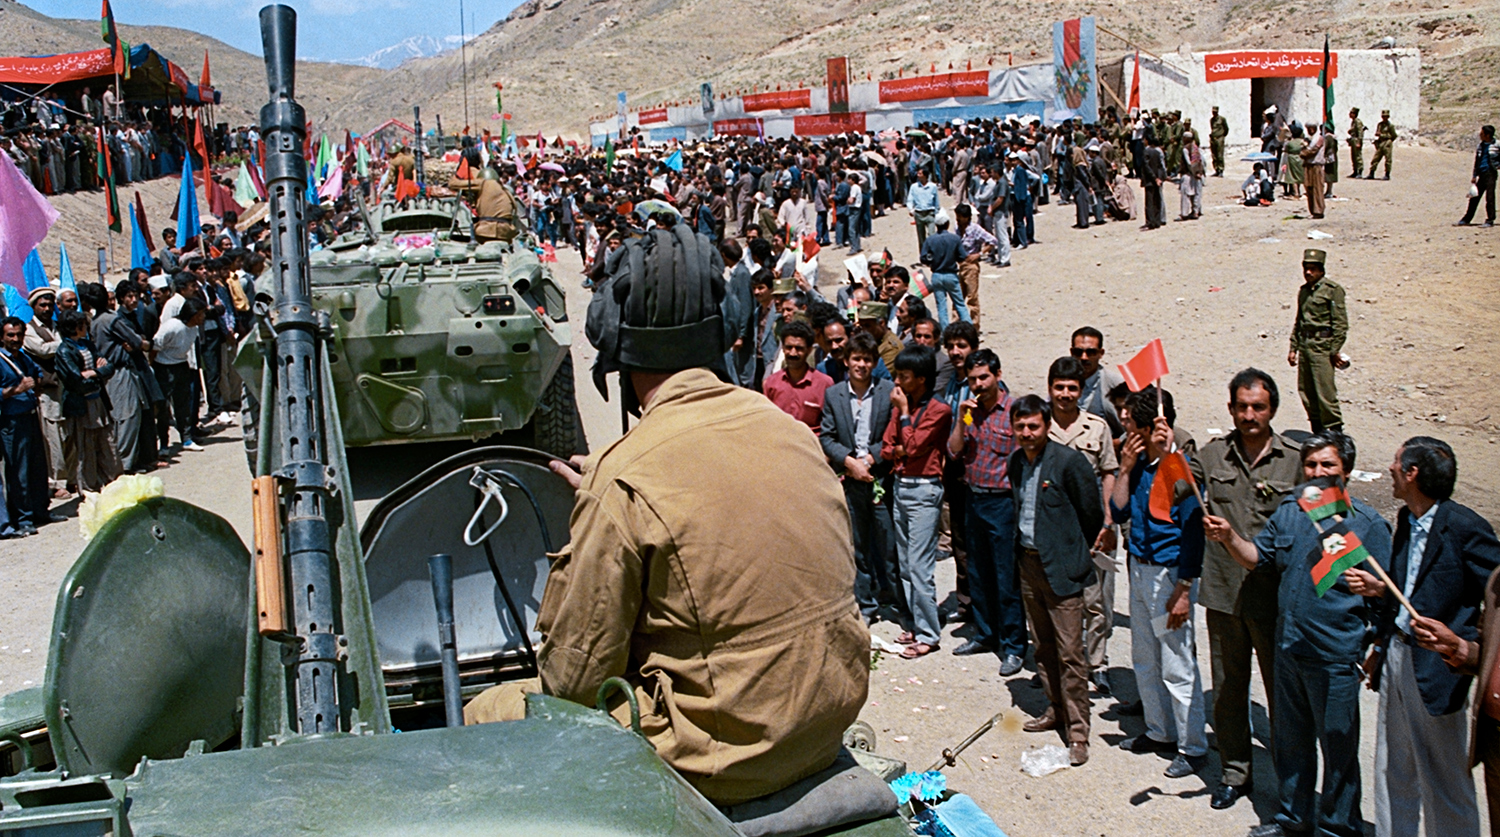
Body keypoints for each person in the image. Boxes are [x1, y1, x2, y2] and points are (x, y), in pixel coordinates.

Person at [466, 224, 870, 809]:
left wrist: (605, 502)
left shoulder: (624, 477)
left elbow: (573, 679)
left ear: (617, 351)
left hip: (726, 759)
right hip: (824, 725)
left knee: (490, 710)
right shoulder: (790, 433)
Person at [1210, 432, 1392, 837]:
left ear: (1346, 471)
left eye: (1328, 466)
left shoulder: (1367, 525)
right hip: (1289, 647)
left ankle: (1338, 828)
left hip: (1334, 656)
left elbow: (1388, 597)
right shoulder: (1291, 512)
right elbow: (1259, 557)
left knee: (1339, 751)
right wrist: (1229, 537)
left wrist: (1375, 627)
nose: (1318, 473)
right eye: (1311, 466)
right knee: (1291, 743)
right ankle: (1293, 820)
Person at [1364, 437, 1500, 837]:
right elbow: (1406, 585)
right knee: (1393, 768)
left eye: (1395, 461)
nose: (1389, 468)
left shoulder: (1465, 527)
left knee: (1444, 780)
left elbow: (1495, 593)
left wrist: (1463, 643)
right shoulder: (1406, 519)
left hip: (1439, 670)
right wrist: (1379, 643)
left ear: (1412, 473)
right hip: (1396, 658)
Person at [1193, 369, 1305, 810]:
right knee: (1227, 691)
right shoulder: (1213, 454)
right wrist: (1164, 448)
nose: (1249, 415)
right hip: (1223, 594)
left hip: (1275, 599)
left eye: (1258, 407)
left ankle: (1293, 788)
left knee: (1285, 700)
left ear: (1272, 409)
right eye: (1241, 406)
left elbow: (1326, 522)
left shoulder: (1296, 460)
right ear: (1230, 409)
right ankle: (1235, 772)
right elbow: (1179, 480)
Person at [1111, 386, 1209, 779]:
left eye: (1130, 422)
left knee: (1177, 662)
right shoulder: (1135, 466)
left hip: (1169, 573)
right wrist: (1123, 467)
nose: (1124, 427)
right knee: (1145, 656)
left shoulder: (1177, 469)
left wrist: (1185, 589)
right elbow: (1118, 512)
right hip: (1139, 565)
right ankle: (1159, 731)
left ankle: (1193, 745)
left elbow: (1194, 529)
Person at [1009, 394, 1103, 767]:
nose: (1027, 433)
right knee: (1043, 647)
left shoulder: (1068, 462)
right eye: (1021, 426)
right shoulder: (1017, 462)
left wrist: (1070, 551)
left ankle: (1078, 732)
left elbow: (1090, 513)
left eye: (1034, 426)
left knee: (1070, 652)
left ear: (1047, 426)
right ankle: (1056, 709)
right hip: (1029, 565)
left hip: (1062, 568)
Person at [949, 348, 1026, 676]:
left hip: (1003, 502)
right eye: (973, 379)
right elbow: (954, 451)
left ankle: (1013, 646)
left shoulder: (1013, 410)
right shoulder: (970, 412)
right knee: (977, 571)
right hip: (973, 498)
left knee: (1005, 577)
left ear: (997, 375)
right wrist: (961, 418)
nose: (978, 385)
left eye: (984, 377)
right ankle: (984, 633)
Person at [1046, 357, 1119, 695]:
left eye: (1071, 388)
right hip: (1052, 528)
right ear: (1050, 389)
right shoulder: (1039, 426)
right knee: (1056, 600)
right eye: (1059, 387)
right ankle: (1063, 663)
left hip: (1089, 526)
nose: (1065, 394)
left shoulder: (1097, 427)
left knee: (1096, 601)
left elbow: (1108, 473)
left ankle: (1098, 664)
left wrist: (1107, 519)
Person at [821, 331, 897, 623]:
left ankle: (895, 599)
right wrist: (850, 462)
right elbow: (827, 437)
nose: (861, 365)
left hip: (879, 477)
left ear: (874, 362)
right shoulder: (834, 394)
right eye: (856, 359)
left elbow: (893, 432)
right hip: (850, 480)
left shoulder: (887, 391)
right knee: (858, 546)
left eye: (867, 360)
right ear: (847, 361)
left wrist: (869, 459)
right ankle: (865, 604)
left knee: (888, 543)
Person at [883, 345, 952, 659]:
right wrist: (901, 443)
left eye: (904, 376)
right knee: (906, 565)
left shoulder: (939, 410)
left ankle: (928, 633)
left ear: (921, 380)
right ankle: (914, 622)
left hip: (924, 489)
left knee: (921, 566)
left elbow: (912, 446)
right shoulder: (901, 408)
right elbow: (888, 447)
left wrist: (906, 419)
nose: (898, 381)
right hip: (902, 485)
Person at [0, 317, 60, 535]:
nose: (15, 339)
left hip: (30, 415)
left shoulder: (22, 357)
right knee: (19, 470)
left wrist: (35, 383)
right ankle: (22, 518)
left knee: (38, 466)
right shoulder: (1, 360)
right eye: (10, 335)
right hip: (11, 422)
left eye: (19, 335)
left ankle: (40, 511)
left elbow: (37, 372)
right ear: (2, 337)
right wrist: (15, 390)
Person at [54, 309, 122, 493]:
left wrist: (94, 373)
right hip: (81, 406)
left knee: (108, 445)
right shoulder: (64, 351)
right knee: (86, 450)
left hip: (98, 402)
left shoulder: (87, 345)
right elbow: (75, 380)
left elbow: (108, 367)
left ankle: (113, 485)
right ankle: (90, 490)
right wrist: (96, 375)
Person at [1288, 248, 1348, 433]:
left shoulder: (1333, 291)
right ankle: (1318, 433)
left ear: (1321, 270)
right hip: (1306, 345)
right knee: (1306, 392)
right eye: (1306, 268)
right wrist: (1293, 347)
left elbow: (1340, 324)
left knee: (1325, 393)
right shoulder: (1304, 291)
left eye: (1313, 269)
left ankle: (1336, 434)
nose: (1308, 272)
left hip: (1322, 347)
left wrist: (1333, 350)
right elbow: (1299, 321)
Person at [23, 287, 71, 498]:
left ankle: (70, 478)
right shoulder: (28, 329)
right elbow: (41, 349)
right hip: (47, 391)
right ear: (33, 306)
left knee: (68, 434)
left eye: (50, 305)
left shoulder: (57, 326)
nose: (47, 309)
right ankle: (56, 482)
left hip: (64, 387)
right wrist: (65, 345)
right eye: (42, 305)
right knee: (52, 437)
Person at [763, 320, 833, 432]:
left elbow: (828, 426)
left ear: (809, 350)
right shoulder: (771, 383)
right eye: (789, 347)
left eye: (799, 348)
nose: (793, 353)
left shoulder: (824, 384)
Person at [918, 211, 970, 328]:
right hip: (951, 274)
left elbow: (923, 258)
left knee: (941, 307)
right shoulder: (954, 239)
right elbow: (962, 256)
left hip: (936, 275)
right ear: (947, 224)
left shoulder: (930, 240)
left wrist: (932, 261)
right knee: (960, 304)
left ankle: (945, 333)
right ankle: (969, 329)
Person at [1071, 327, 1125, 436]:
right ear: (1071, 352)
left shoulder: (1116, 384)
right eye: (1078, 352)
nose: (1084, 357)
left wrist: (1120, 442)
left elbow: (1138, 422)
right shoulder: (1063, 383)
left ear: (1101, 353)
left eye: (1091, 352)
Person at [448, 165, 520, 242]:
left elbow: (452, 184)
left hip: (487, 230)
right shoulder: (505, 190)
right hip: (506, 232)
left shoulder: (483, 183)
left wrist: (457, 174)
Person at [954, 204, 998, 325]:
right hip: (958, 265)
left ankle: (974, 325)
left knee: (972, 298)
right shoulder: (957, 228)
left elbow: (992, 241)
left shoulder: (975, 229)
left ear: (967, 217)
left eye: (960, 217)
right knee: (957, 297)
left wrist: (979, 254)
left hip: (970, 266)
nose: (957, 219)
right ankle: (956, 323)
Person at [1457, 124, 1497, 227]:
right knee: (1474, 197)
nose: (1480, 135)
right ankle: (1466, 219)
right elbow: (1477, 161)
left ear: (1488, 135)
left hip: (1491, 174)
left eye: (1482, 133)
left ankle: (1490, 220)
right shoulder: (1481, 145)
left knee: (1490, 197)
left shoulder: (1496, 145)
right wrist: (1474, 175)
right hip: (1482, 174)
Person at [906, 167, 939, 249]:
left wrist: (936, 212)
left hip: (930, 213)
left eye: (920, 173)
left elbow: (936, 201)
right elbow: (910, 200)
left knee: (932, 235)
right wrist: (911, 209)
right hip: (919, 214)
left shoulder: (932, 186)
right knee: (921, 238)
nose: (918, 175)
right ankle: (923, 256)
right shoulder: (914, 187)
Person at [1141, 133, 1167, 230]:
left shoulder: (1146, 152)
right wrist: (1159, 178)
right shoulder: (1156, 152)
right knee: (1157, 201)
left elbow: (1147, 167)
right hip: (1157, 180)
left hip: (1150, 181)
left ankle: (1150, 222)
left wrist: (1154, 178)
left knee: (1150, 202)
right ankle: (1156, 221)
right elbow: (1160, 167)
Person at [1302, 123, 1327, 219]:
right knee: (1309, 187)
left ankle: (1318, 210)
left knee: (1317, 188)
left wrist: (1303, 153)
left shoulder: (1319, 139)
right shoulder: (1308, 139)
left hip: (1316, 166)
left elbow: (1312, 151)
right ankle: (1312, 210)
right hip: (1308, 165)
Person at [1367, 109, 1396, 180]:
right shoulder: (1380, 124)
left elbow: (1394, 135)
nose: (1384, 118)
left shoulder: (1390, 126)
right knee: (1375, 159)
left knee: (1388, 160)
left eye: (1386, 116)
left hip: (1387, 143)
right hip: (1380, 143)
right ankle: (1371, 173)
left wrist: (1384, 136)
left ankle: (1387, 174)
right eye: (1383, 116)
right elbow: (1377, 132)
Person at [1209, 106, 1229, 177]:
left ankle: (1221, 169)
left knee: (1220, 155)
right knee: (1214, 155)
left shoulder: (1222, 119)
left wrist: (1222, 136)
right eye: (1213, 112)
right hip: (1213, 138)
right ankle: (1216, 169)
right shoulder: (1211, 120)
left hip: (1219, 138)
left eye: (1215, 112)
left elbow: (1226, 128)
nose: (1214, 113)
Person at [1348, 108, 1366, 179]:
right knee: (1353, 156)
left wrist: (1359, 142)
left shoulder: (1358, 122)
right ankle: (1355, 171)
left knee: (1358, 157)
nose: (1350, 114)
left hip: (1356, 140)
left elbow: (1360, 133)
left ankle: (1360, 171)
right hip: (1353, 140)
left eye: (1351, 113)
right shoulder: (1353, 122)